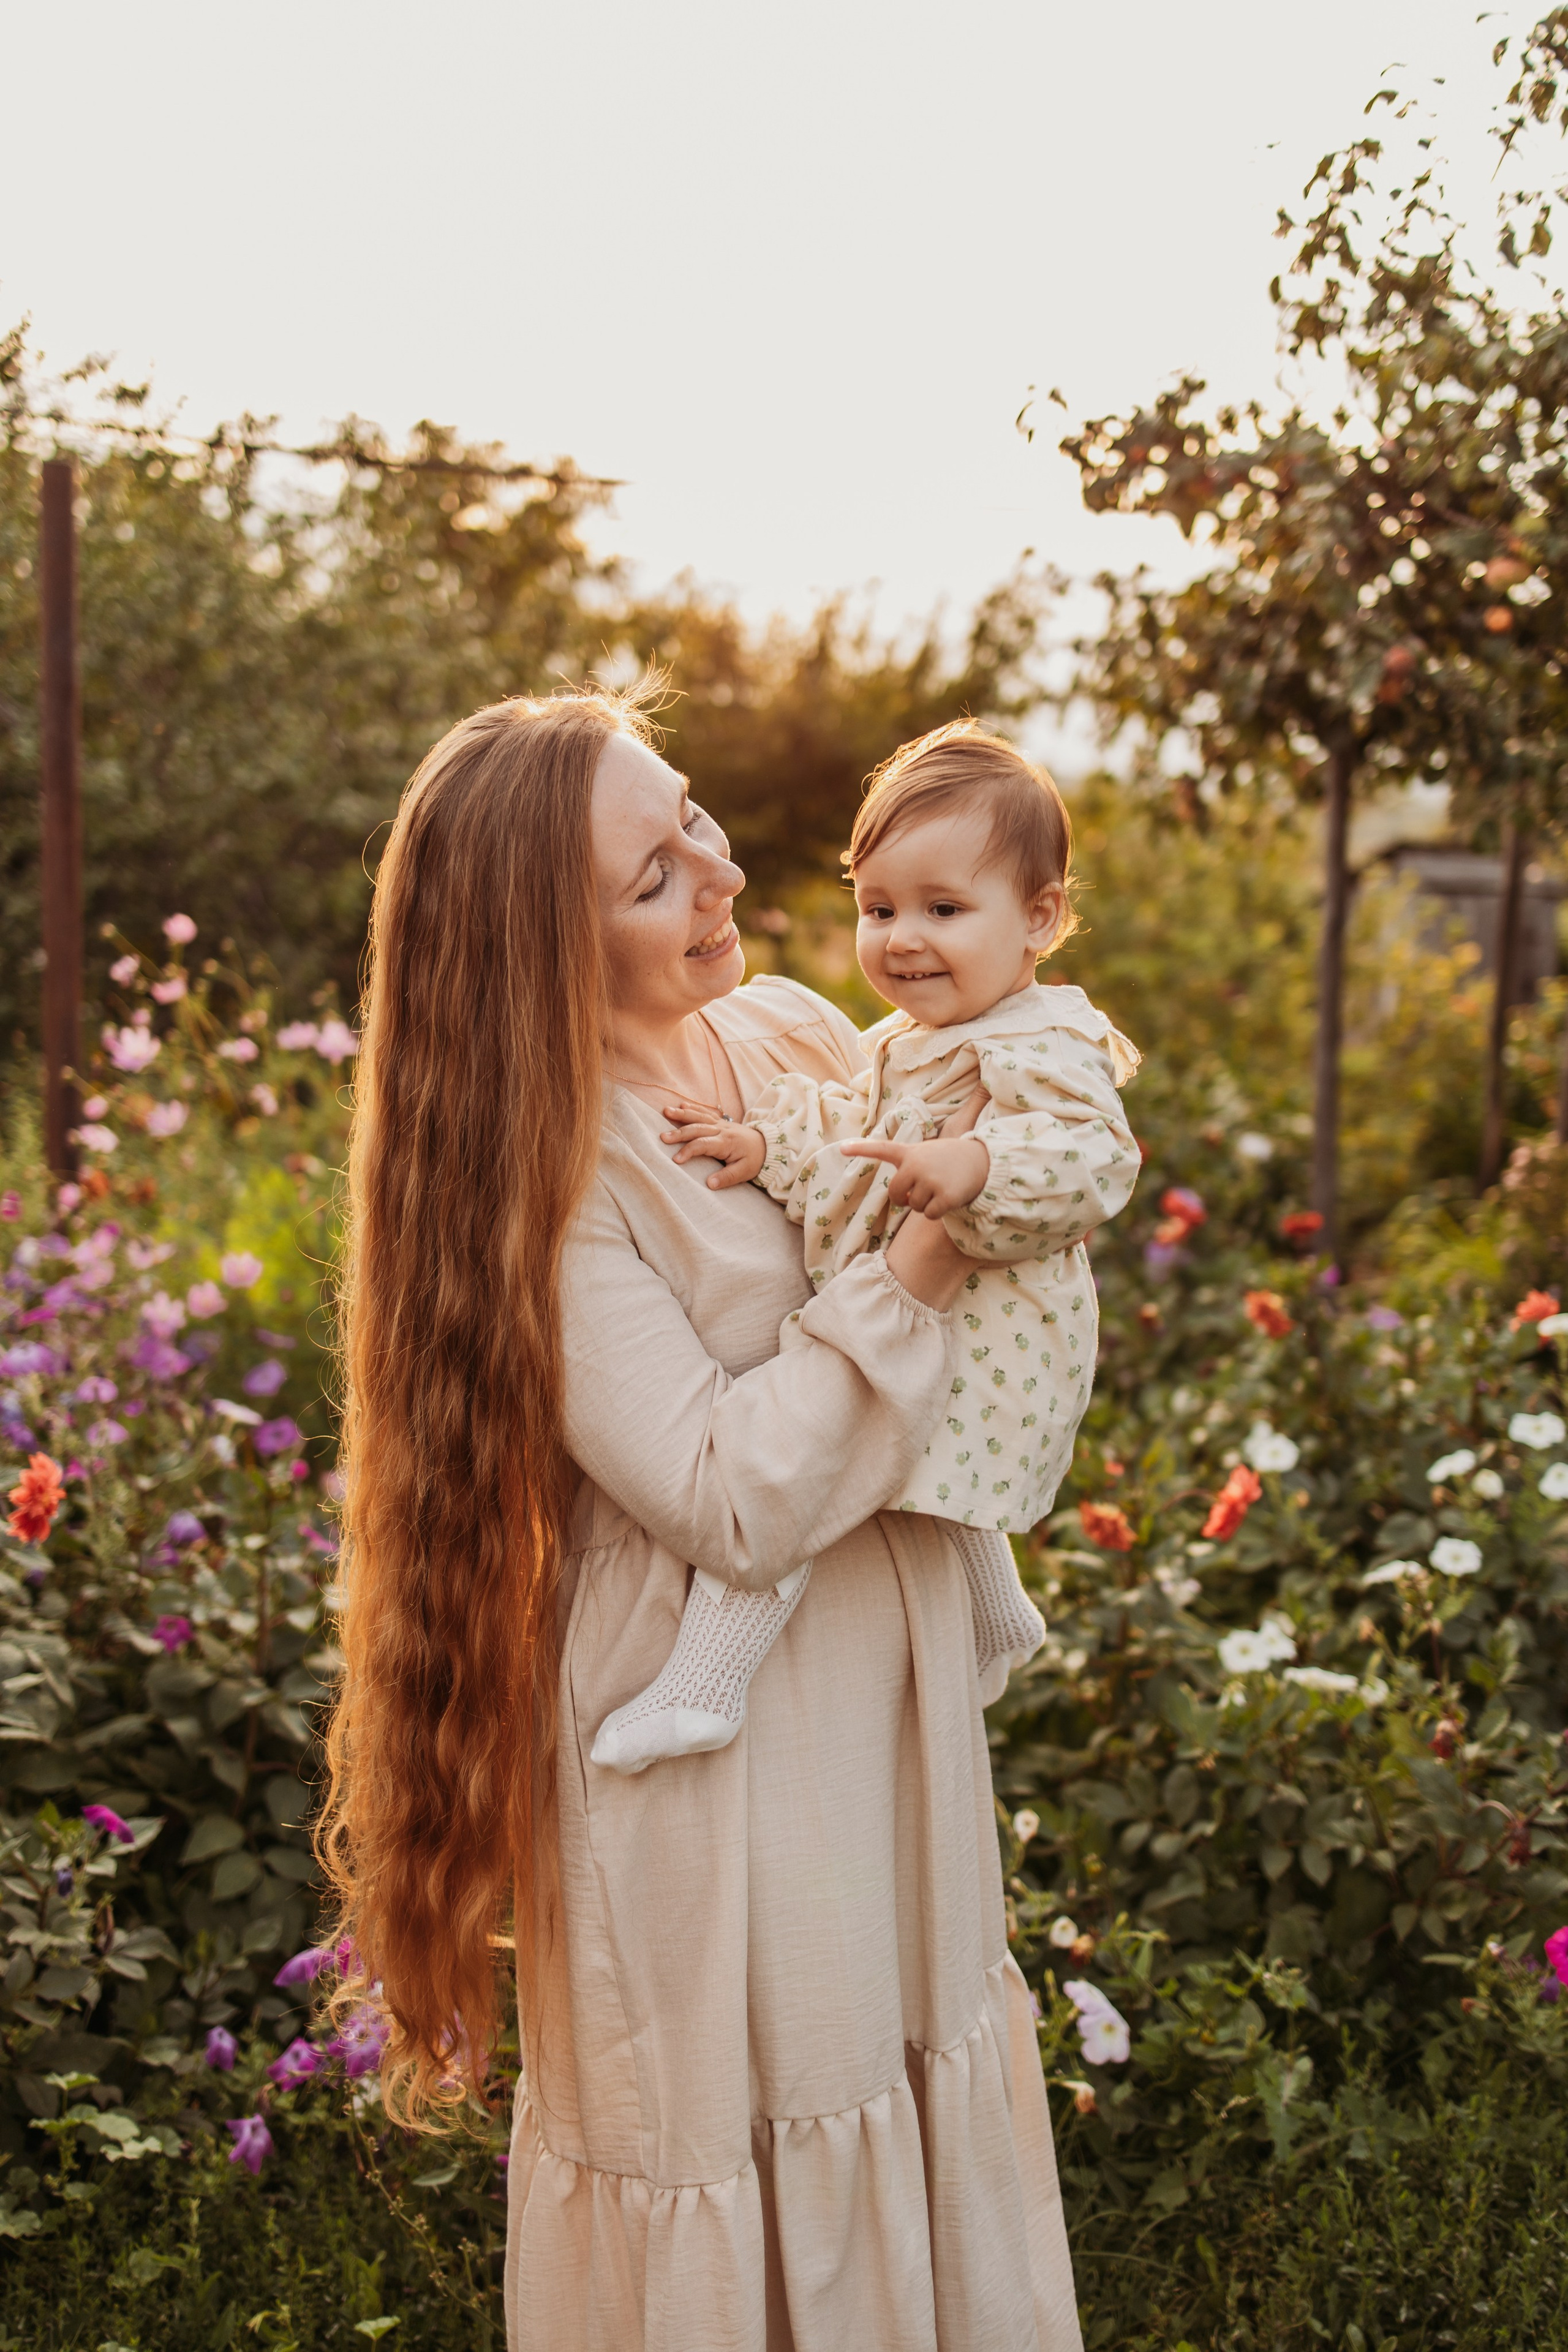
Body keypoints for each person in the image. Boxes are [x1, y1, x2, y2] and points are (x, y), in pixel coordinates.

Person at [322, 685, 1084, 2352]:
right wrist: (932, 1250)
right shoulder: (554, 1177)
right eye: (655, 873)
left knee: (912, 2086)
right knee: (764, 2138)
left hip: (880, 1703)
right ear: (544, 947)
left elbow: (1028, 1164)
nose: (721, 873)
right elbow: (734, 1496)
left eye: (695, 818)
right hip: (716, 1760)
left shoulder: (799, 1036)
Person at [592, 722, 1139, 1776]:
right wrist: (767, 1145)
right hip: (938, 1328)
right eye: (879, 908)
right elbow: (854, 1141)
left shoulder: (1044, 1041)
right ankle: (1001, 1615)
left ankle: (704, 1684)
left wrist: (978, 1166)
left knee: (833, 1465)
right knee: (902, 1457)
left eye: (944, 910)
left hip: (985, 1330)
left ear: (1039, 918)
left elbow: (1092, 1156)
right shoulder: (902, 1042)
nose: (901, 939)